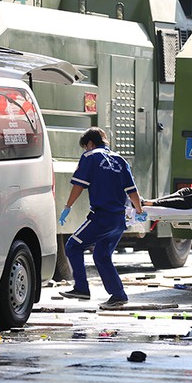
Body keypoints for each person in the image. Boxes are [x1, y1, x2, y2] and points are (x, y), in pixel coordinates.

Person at [58, 127, 146, 310]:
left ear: (90, 144)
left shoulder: (90, 157)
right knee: (102, 255)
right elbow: (132, 191)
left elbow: (78, 185)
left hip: (101, 217)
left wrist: (67, 206)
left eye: (85, 147)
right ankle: (118, 295)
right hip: (119, 220)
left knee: (73, 246)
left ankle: (81, 288)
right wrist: (139, 211)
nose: (85, 150)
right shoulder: (120, 160)